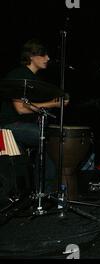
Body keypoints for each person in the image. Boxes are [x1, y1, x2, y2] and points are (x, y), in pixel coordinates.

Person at [0, 39, 68, 193]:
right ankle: (45, 191)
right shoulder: (19, 74)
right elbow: (21, 109)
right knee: (49, 139)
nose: (48, 58)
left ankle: (42, 191)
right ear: (32, 56)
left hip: (24, 126)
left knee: (50, 137)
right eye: (44, 55)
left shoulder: (37, 81)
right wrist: (53, 103)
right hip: (10, 126)